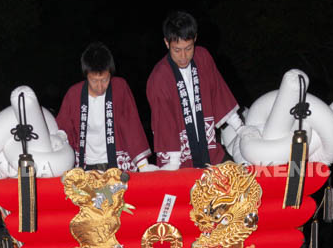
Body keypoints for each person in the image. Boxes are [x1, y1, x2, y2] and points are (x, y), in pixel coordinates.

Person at [146, 10, 241, 169]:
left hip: (210, 150)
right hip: (177, 159)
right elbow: (164, 122)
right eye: (177, 50)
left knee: (238, 178)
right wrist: (174, 163)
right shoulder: (159, 78)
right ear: (166, 43)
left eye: (188, 48)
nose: (183, 56)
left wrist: (240, 127)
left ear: (195, 38)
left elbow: (219, 94)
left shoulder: (203, 57)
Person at [57, 42, 151, 172]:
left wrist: (143, 166)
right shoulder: (74, 94)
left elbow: (131, 125)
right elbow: (64, 128)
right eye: (94, 81)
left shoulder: (120, 88)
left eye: (105, 80)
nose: (100, 87)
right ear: (86, 75)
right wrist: (59, 139)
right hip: (87, 165)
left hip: (117, 163)